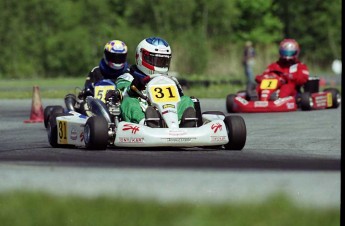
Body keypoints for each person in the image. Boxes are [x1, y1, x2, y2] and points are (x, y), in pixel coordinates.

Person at [115, 36, 196, 128]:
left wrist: (178, 89)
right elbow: (121, 92)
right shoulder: (128, 76)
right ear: (140, 57)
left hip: (168, 109)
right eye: (155, 60)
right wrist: (133, 86)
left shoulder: (169, 80)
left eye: (163, 61)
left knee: (186, 100)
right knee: (129, 102)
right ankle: (145, 123)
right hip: (143, 109)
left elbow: (179, 96)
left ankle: (184, 124)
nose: (159, 64)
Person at [64, 40, 130, 113]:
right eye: (113, 57)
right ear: (106, 55)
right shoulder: (96, 71)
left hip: (122, 104)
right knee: (83, 104)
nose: (117, 60)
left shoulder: (129, 72)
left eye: (120, 57)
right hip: (97, 107)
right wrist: (90, 89)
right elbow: (87, 91)